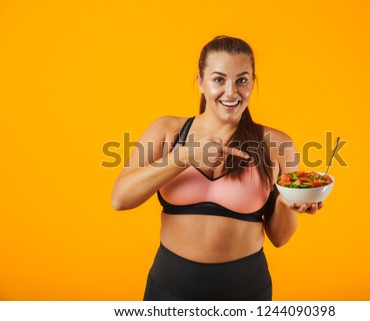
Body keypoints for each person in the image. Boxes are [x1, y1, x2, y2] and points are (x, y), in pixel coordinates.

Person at [111, 35, 324, 301]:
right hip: (168, 290)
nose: (232, 92)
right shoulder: (168, 131)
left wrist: (287, 204)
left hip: (245, 293)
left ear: (253, 83)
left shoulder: (277, 144)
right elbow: (120, 199)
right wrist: (185, 156)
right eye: (219, 80)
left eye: (242, 80)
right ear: (201, 82)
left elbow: (280, 238)